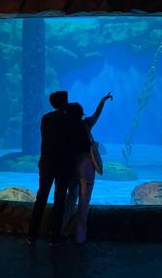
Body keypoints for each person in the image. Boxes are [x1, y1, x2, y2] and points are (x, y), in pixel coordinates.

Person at [27, 90, 76, 246]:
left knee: (41, 199)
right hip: (63, 165)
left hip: (46, 163)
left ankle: (31, 236)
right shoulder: (69, 119)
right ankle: (55, 238)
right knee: (59, 200)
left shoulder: (46, 118)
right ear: (64, 102)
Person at [63, 92, 113, 244]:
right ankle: (80, 235)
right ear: (81, 113)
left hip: (71, 164)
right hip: (86, 165)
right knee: (84, 200)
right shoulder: (86, 124)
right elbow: (97, 113)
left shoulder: (64, 128)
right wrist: (103, 100)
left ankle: (63, 230)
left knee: (70, 197)